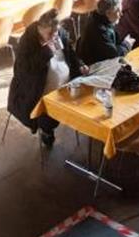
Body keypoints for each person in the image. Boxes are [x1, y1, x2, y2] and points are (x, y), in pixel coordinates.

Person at [8, 9, 89, 148]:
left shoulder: (60, 34)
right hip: (38, 93)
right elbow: (25, 71)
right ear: (40, 28)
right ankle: (47, 131)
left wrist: (80, 65)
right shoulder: (27, 42)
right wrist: (47, 51)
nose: (54, 36)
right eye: (50, 34)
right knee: (49, 118)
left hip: (67, 87)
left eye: (56, 32)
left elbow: (70, 54)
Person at [76, 0, 133, 64]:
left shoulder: (100, 18)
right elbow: (114, 54)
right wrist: (127, 44)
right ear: (108, 13)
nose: (121, 14)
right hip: (94, 67)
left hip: (102, 59)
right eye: (118, 11)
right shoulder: (100, 31)